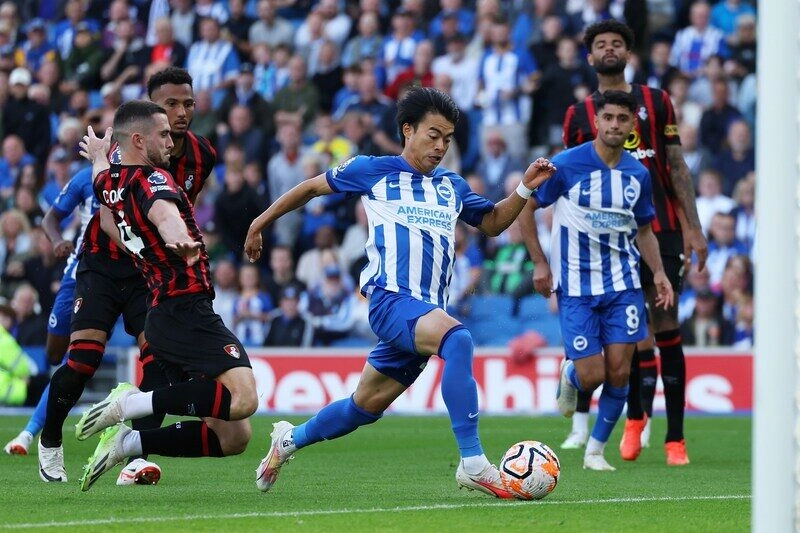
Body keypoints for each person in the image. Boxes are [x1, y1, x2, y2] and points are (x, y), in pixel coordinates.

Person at [243, 86, 555, 497]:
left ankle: (288, 440)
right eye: (433, 134)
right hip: (390, 300)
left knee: (363, 408)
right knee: (458, 339)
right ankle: (474, 463)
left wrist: (525, 188)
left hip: (424, 311)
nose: (440, 146)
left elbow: (494, 222)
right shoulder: (372, 169)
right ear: (408, 130)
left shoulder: (452, 185)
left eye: (447, 138)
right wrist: (258, 224)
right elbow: (310, 188)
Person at [37, 67, 216, 486]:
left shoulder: (202, 154)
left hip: (150, 274)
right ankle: (49, 439)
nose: (181, 112)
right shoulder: (123, 153)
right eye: (171, 104)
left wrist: (176, 240)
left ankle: (134, 454)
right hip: (104, 264)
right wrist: (155, 247)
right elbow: (107, 220)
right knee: (82, 361)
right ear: (152, 107)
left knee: (157, 361)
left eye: (188, 103)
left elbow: (180, 204)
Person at [73, 100, 257, 492]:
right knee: (244, 399)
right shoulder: (153, 180)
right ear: (139, 141)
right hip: (184, 309)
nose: (171, 142)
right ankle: (129, 403)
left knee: (234, 435)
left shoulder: (112, 182)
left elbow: (101, 180)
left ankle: (130, 444)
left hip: (163, 315)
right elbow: (165, 214)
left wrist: (99, 155)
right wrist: (179, 238)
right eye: (163, 135)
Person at [549, 20, 707, 466]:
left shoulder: (657, 101)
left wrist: (693, 227)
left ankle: (675, 438)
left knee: (666, 326)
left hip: (661, 229)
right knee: (631, 337)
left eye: (617, 43)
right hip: (607, 245)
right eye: (600, 44)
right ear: (590, 57)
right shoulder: (579, 114)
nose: (609, 49)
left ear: (628, 53)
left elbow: (676, 165)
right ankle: (635, 419)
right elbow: (568, 181)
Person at [520, 90, 674, 471]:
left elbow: (644, 231)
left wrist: (658, 272)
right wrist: (539, 263)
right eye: (608, 118)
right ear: (597, 122)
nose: (615, 125)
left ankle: (595, 452)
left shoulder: (638, 175)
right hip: (576, 287)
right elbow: (526, 208)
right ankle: (571, 373)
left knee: (620, 371)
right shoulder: (566, 165)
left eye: (622, 119)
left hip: (623, 286)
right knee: (593, 375)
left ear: (632, 125)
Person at [3, 165, 97, 456]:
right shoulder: (87, 176)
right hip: (76, 274)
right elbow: (51, 217)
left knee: (76, 361)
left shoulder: (140, 175)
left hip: (113, 281)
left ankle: (32, 432)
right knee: (56, 355)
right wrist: (57, 241)